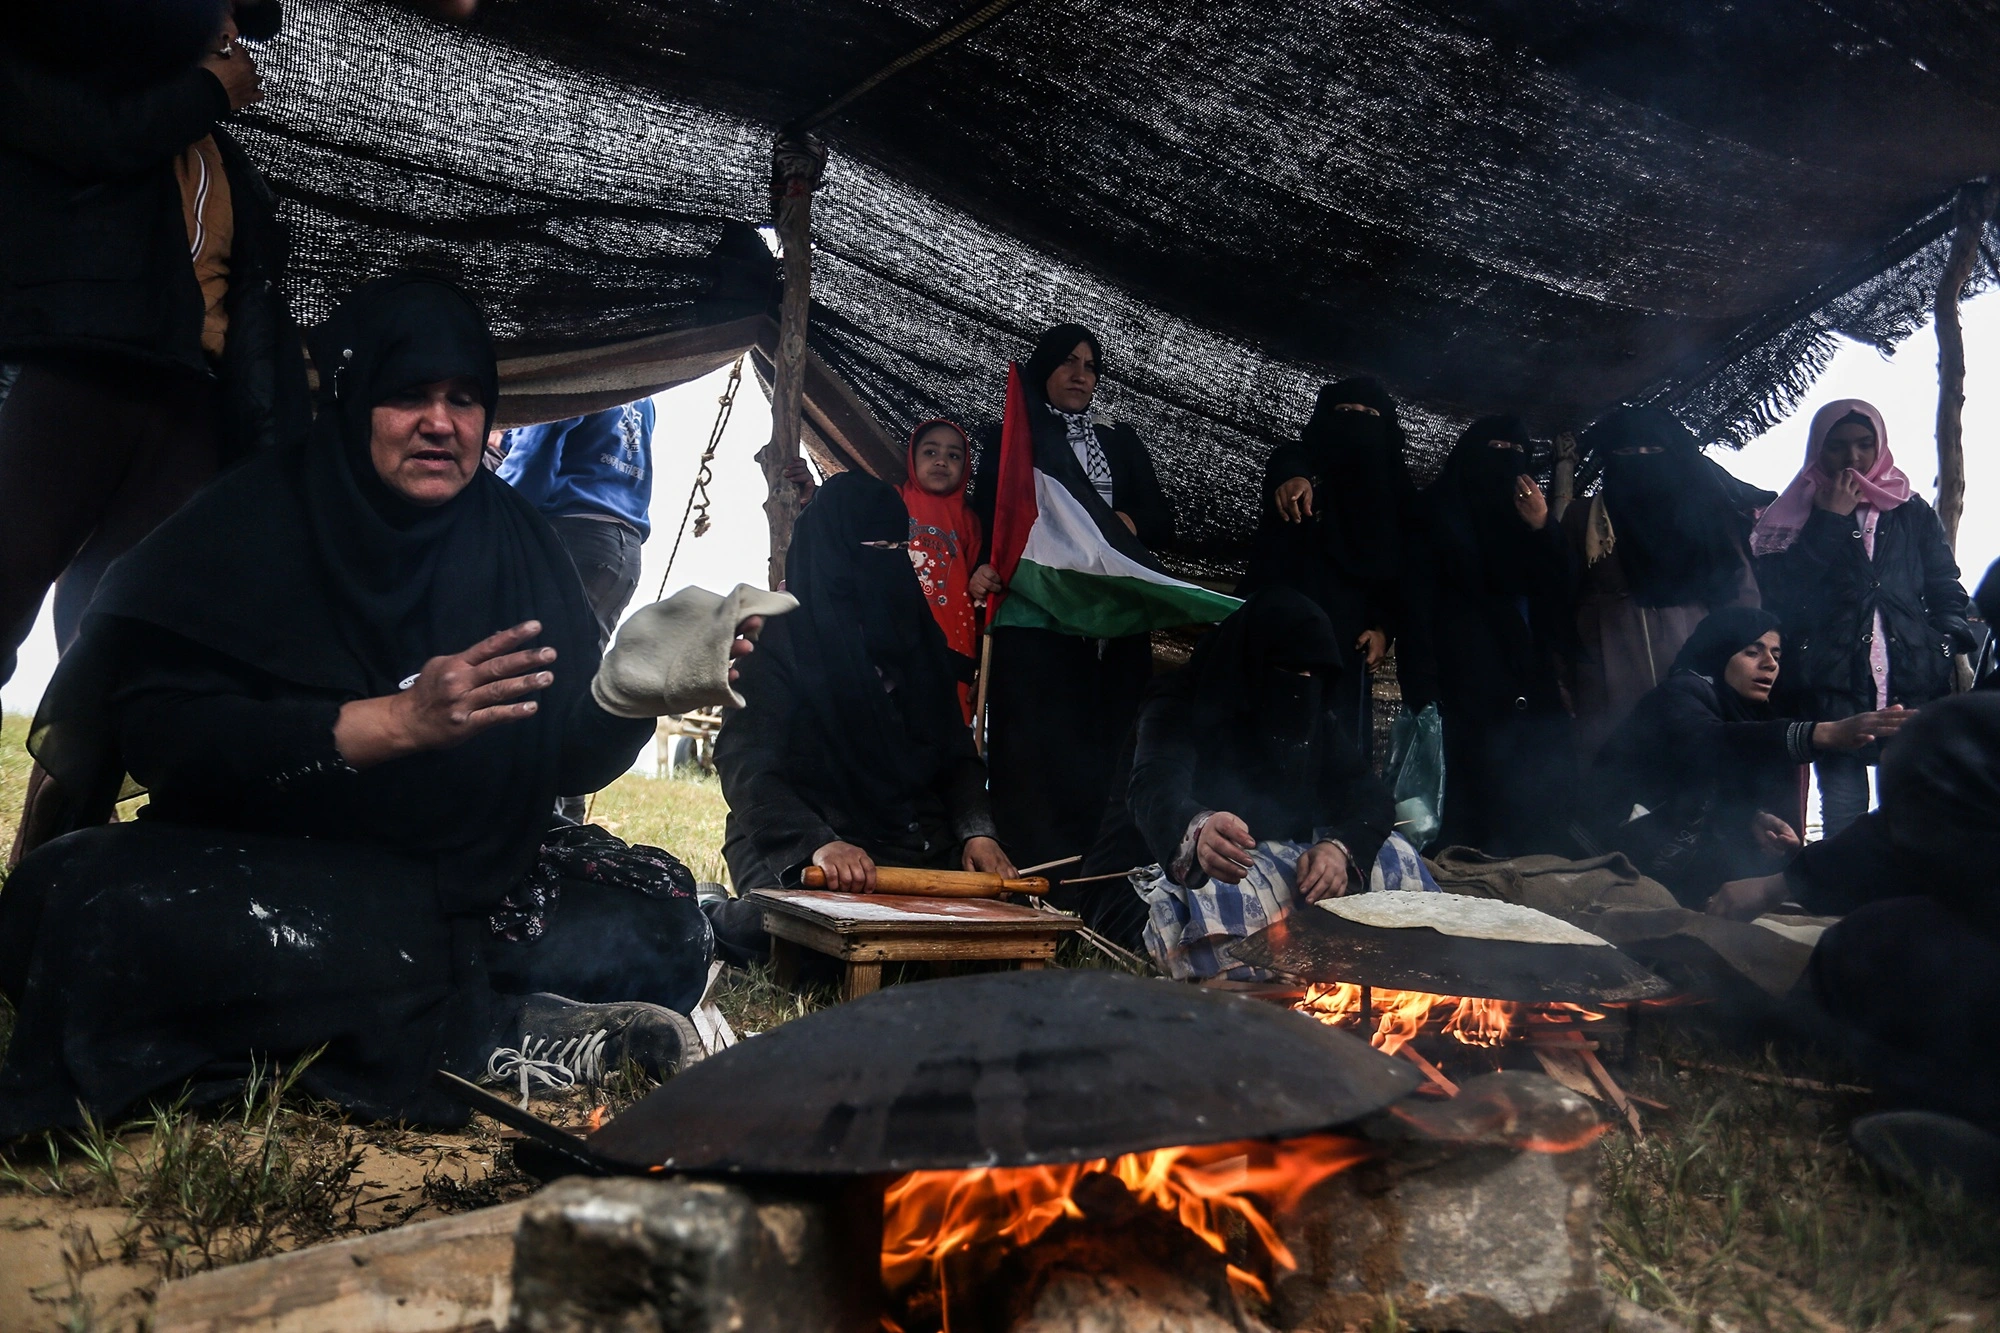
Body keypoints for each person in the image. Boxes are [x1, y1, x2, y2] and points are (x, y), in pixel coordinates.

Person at [0, 277, 786, 1139]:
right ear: (354, 398)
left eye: (463, 399)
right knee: (75, 899)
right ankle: (485, 1027)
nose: (440, 422)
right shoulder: (256, 519)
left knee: (671, 923)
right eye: (407, 395)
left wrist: (622, 698)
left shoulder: (518, 543)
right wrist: (394, 723)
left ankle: (437, 1005)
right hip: (277, 872)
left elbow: (558, 759)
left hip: (464, 881)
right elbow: (167, 737)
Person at [0, 0, 308, 682]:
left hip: (182, 402)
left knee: (120, 652)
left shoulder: (218, 158)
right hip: (68, 372)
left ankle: (71, 787)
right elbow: (94, 138)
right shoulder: (46, 77)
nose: (226, 35)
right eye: (212, 14)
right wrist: (202, 92)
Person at [708, 472, 1015, 965]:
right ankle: (717, 915)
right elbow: (747, 767)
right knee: (815, 949)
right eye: (875, 546)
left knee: (971, 944)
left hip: (901, 839)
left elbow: (953, 753)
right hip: (796, 837)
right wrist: (818, 845)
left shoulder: (916, 637)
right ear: (832, 551)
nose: (888, 562)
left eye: (898, 547)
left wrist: (976, 830)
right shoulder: (777, 642)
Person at [1707, 692, 2000, 1202]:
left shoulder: (1887, 943)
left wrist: (1721, 1011)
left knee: (1881, 948)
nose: (1769, 663)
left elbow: (1788, 1032)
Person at [1082, 590, 1415, 976]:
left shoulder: (1314, 715)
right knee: (1223, 888)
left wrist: (1338, 849)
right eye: (1290, 671)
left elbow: (1369, 797)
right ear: (1251, 662)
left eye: (1313, 675)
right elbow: (1153, 784)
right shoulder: (1177, 701)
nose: (1301, 686)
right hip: (1146, 880)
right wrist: (1198, 831)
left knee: (1393, 853)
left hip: (1264, 870)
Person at [967, 323, 1175, 868]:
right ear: (1044, 370)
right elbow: (990, 514)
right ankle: (1033, 876)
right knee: (1035, 750)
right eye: (1068, 363)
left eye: (1090, 366)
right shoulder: (1016, 437)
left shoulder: (1119, 443)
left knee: (1107, 746)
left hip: (1112, 626)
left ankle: (1096, 878)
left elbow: (1161, 518)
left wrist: (1124, 521)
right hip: (1038, 621)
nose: (1081, 375)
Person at [1576, 607, 1911, 907]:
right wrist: (1823, 733)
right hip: (1600, 857)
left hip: (1669, 869)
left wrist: (1753, 821)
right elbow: (1709, 745)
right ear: (1718, 653)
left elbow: (1713, 790)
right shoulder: (1680, 694)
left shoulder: (1747, 713)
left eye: (1777, 655)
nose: (1770, 664)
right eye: (1753, 652)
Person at [1752, 399, 1973, 837]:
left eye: (1863, 444)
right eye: (1837, 446)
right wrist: (1829, 520)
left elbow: (1944, 582)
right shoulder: (1795, 513)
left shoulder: (1910, 510)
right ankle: (1842, 892)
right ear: (1818, 448)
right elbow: (1781, 593)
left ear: (1879, 446)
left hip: (1910, 676)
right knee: (1843, 803)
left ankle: (1899, 894)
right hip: (1831, 680)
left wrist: (1946, 641)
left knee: (1909, 796)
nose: (1852, 457)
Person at [1398, 416, 1578, 855]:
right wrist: (1422, 689)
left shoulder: (1527, 517)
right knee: (1465, 808)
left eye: (1515, 452)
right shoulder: (1434, 512)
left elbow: (1561, 591)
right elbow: (1414, 605)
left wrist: (1543, 528)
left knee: (1530, 804)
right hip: (1460, 682)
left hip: (1529, 685)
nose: (1503, 461)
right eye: (1493, 448)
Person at [1566, 407, 1772, 761]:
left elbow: (1740, 596)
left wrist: (1735, 659)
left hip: (1693, 651)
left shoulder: (1707, 516)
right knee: (1619, 770)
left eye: (1653, 452)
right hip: (1609, 662)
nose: (1641, 463)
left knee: (1693, 758)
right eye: (1627, 454)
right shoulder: (1585, 517)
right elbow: (1561, 595)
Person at [1235, 378, 1413, 763]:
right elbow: (1288, 462)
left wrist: (1384, 628)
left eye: (1370, 416)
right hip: (1284, 636)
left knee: (1337, 757)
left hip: (1350, 645)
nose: (1357, 423)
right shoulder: (1304, 465)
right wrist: (1294, 479)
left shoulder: (1397, 492)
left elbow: (1403, 571)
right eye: (1345, 413)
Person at [496, 401, 656, 648]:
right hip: (623, 552)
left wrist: (482, 513)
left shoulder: (568, 373)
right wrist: (505, 438)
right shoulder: (641, 393)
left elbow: (533, 462)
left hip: (572, 539)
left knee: (514, 660)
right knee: (572, 669)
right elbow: (593, 438)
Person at [897, 418, 983, 722]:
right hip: (894, 648)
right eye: (930, 452)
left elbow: (981, 593)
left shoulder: (971, 522)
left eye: (954, 456)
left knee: (945, 751)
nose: (941, 462)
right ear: (912, 457)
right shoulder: (891, 501)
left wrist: (982, 671)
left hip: (953, 656)